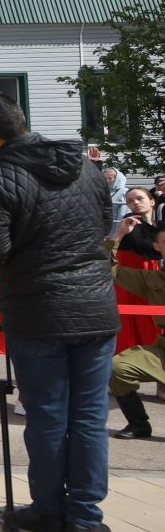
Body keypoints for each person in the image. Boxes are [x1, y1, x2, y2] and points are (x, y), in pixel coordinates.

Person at [0, 92, 119, 532]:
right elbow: (103, 223)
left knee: (49, 416)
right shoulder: (86, 166)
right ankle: (86, 517)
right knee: (90, 417)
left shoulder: (0, 177)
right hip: (94, 304)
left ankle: (50, 510)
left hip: (39, 310)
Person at [107, 188, 165, 439]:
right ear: (157, 247)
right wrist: (119, 235)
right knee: (116, 367)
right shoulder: (153, 279)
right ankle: (139, 423)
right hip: (162, 350)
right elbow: (109, 267)